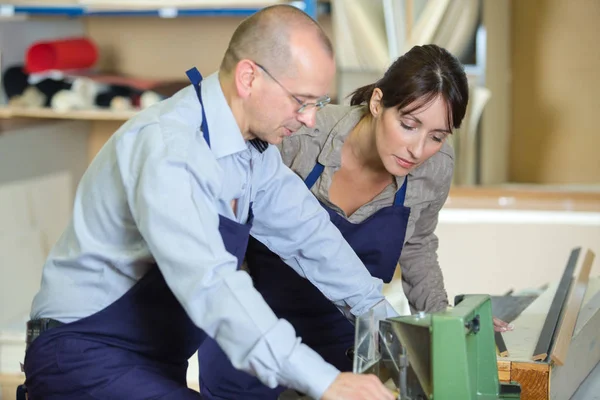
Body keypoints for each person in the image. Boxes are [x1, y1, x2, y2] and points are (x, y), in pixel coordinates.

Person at [22, 5, 397, 400]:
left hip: (151, 363)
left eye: (317, 104)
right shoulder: (171, 149)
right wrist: (325, 382)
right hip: (81, 355)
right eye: (301, 101)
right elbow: (210, 283)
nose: (309, 120)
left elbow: (313, 239)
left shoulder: (254, 155)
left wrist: (393, 330)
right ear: (249, 77)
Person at [197, 44, 514, 399]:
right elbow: (231, 240)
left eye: (437, 137)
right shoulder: (299, 136)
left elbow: (417, 245)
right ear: (377, 103)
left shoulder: (433, 168)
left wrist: (448, 326)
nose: (418, 149)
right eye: (409, 125)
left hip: (345, 338)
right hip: (253, 329)